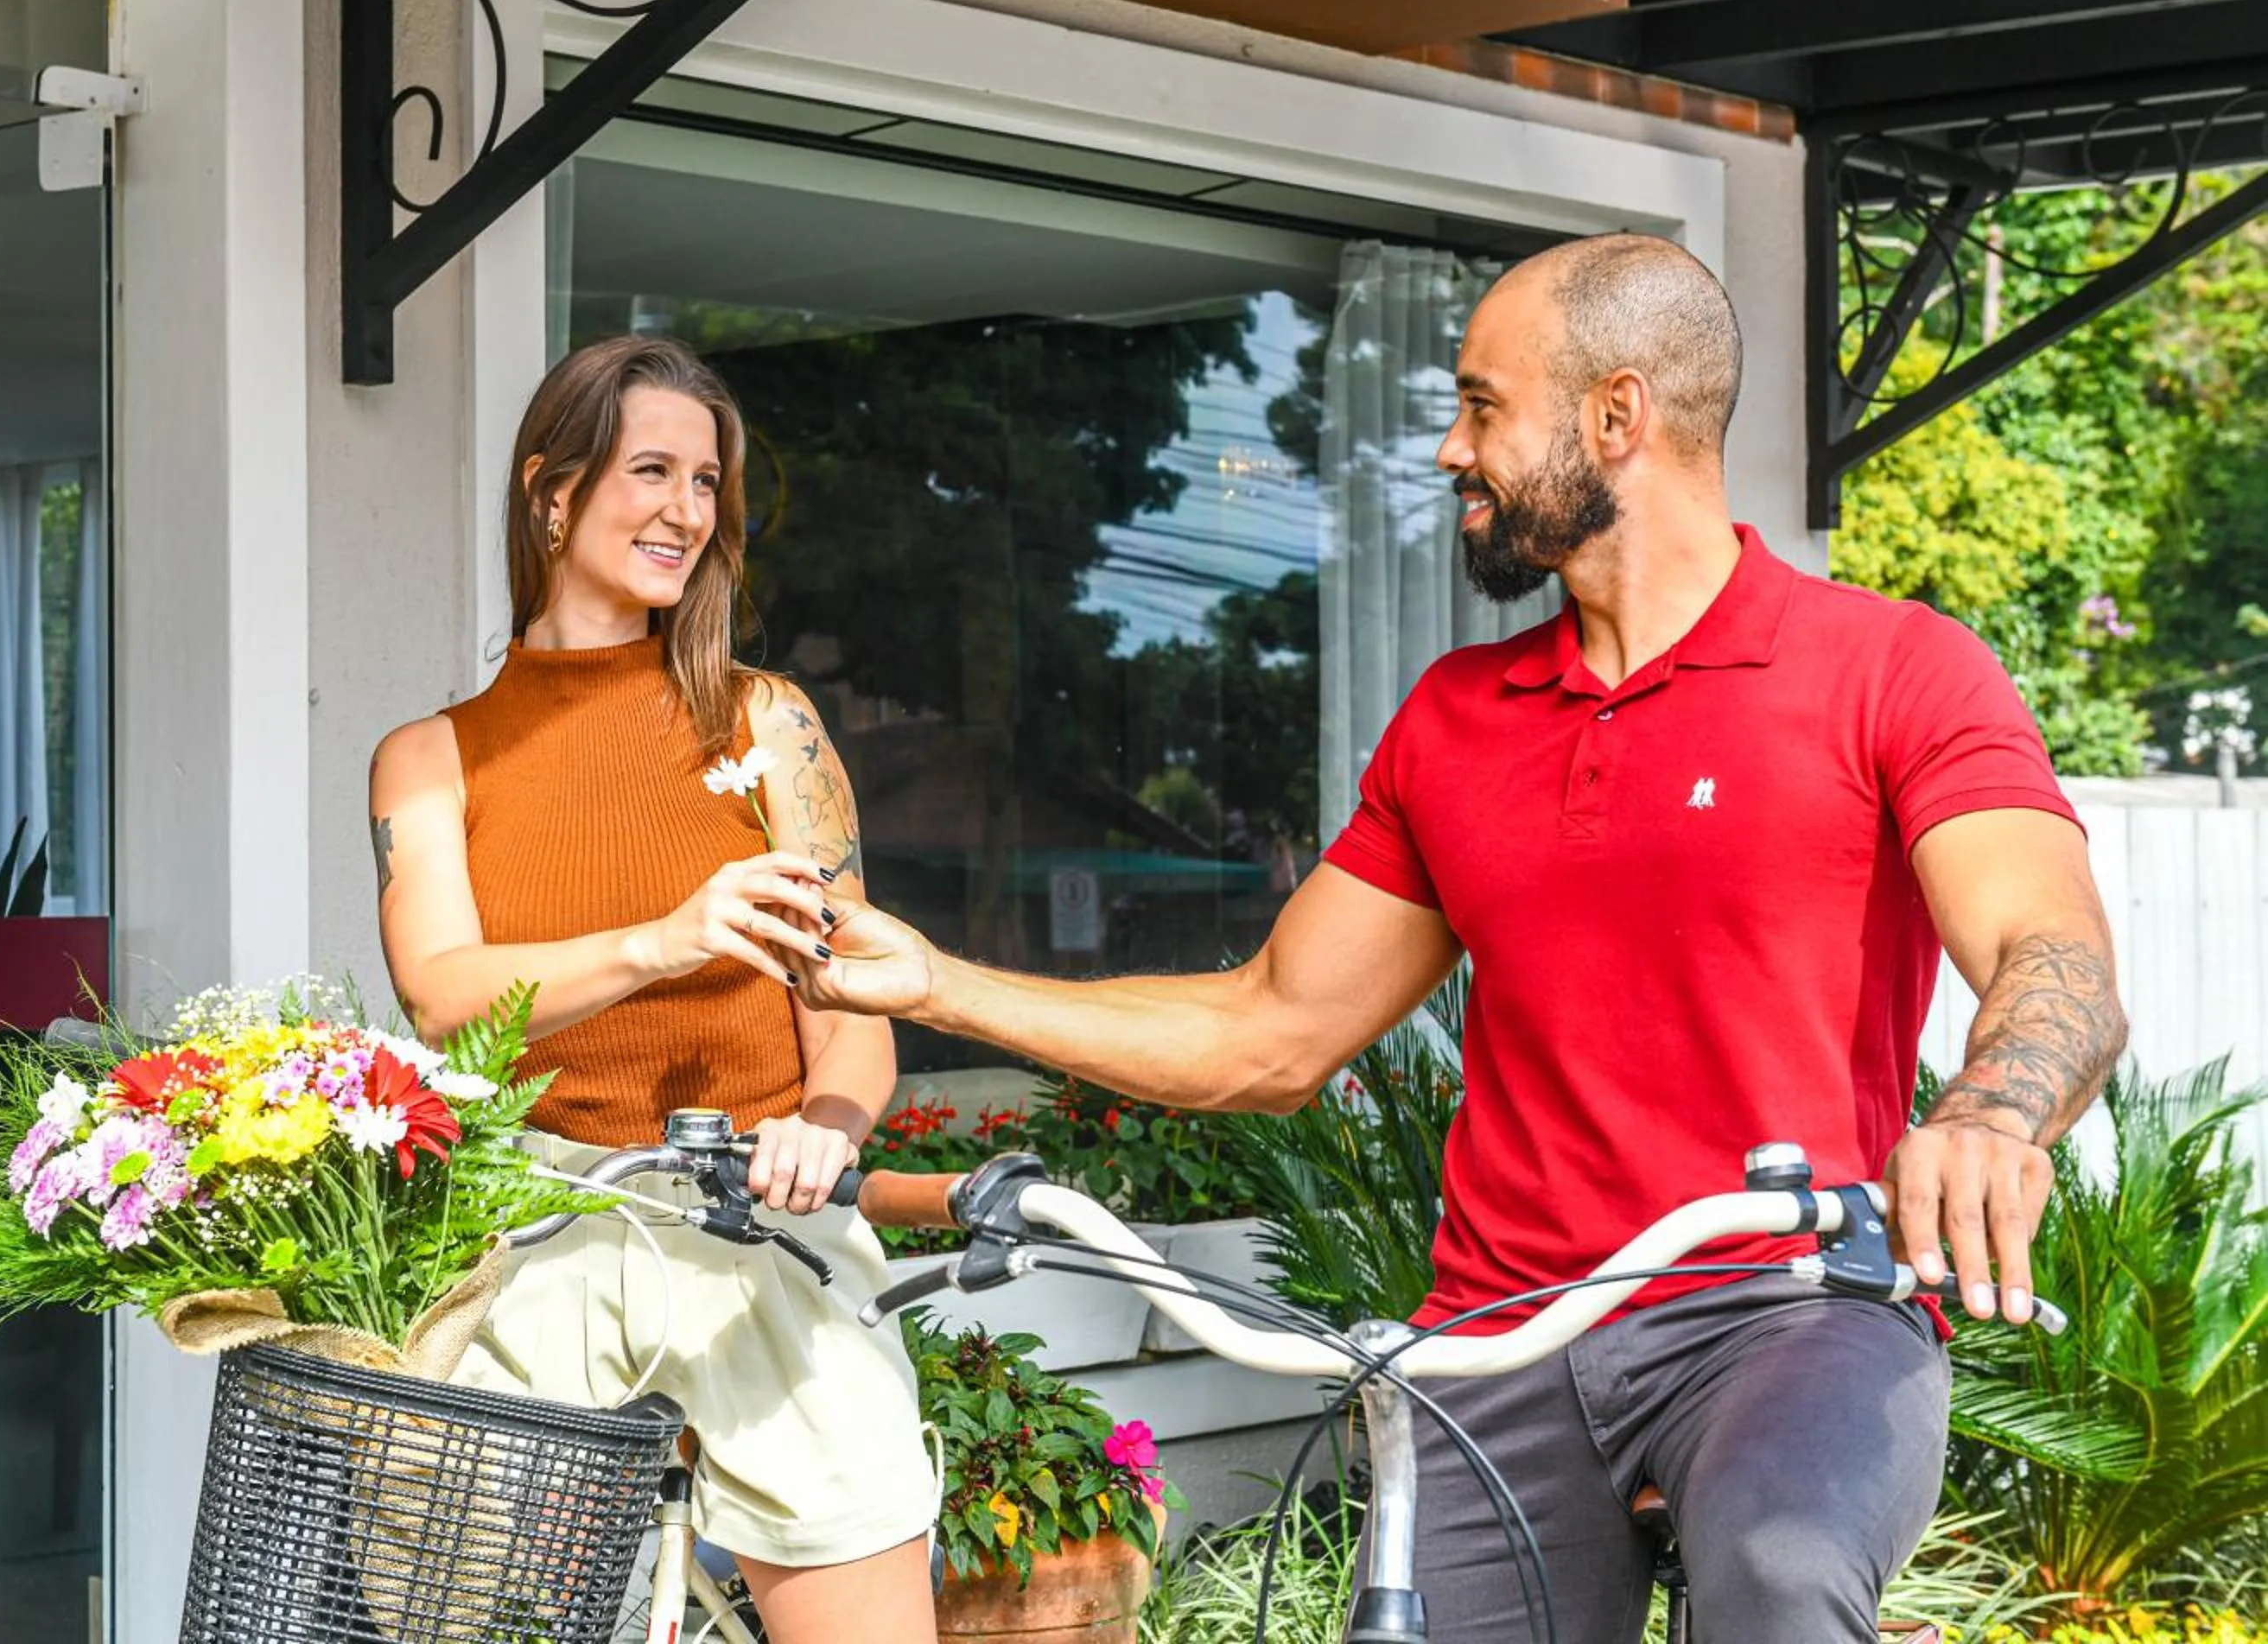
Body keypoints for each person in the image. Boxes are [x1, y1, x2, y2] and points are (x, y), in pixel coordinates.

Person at [792, 237, 2127, 1641]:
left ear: (1617, 415)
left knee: (1783, 1570)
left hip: (1788, 1310)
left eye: (1483, 406)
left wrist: (1989, 1116)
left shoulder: (1891, 667)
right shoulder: (1457, 720)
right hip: (1503, 1334)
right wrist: (940, 983)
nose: (1449, 449)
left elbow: (2055, 953)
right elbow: (1268, 1031)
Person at [369, 335, 936, 1643]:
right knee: (462, 1612)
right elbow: (443, 996)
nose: (686, 510)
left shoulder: (768, 724)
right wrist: (663, 940)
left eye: (706, 482)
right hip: (542, 1225)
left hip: (761, 1218)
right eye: (652, 471)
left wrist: (826, 1129)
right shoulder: (429, 759)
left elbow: (851, 1019)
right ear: (551, 491)